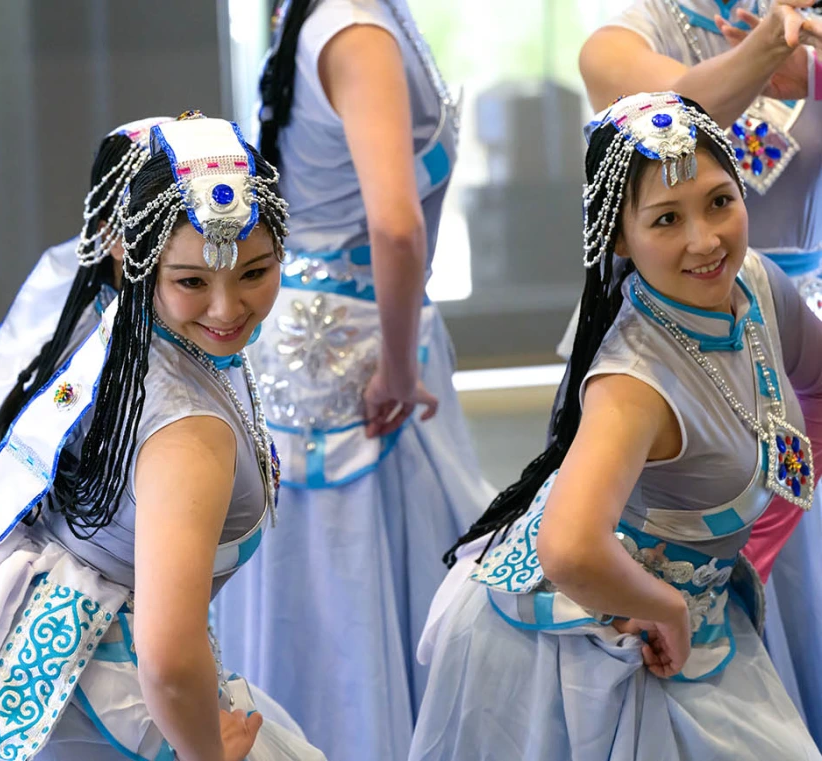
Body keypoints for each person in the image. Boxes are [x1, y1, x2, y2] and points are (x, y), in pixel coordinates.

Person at [0, 112, 326, 761]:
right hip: (88, 705)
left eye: (254, 273)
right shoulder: (188, 434)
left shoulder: (106, 322)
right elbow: (172, 660)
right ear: (134, 257)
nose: (227, 309)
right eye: (193, 281)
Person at [409, 91, 822, 760]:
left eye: (720, 200)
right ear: (621, 238)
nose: (706, 239)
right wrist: (667, 606)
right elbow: (568, 548)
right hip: (590, 646)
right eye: (666, 218)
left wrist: (766, 540)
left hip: (703, 616)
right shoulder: (633, 382)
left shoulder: (756, 284)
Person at [212, 2, 493, 760]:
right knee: (349, 599)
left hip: (331, 339)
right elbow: (396, 225)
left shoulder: (342, 19)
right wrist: (401, 363)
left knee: (320, 591)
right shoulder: (355, 30)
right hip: (357, 355)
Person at [578, 0, 822, 736]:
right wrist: (768, 46)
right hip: (674, 332)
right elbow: (679, 108)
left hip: (785, 323)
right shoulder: (626, 34)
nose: (702, 230)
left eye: (720, 200)